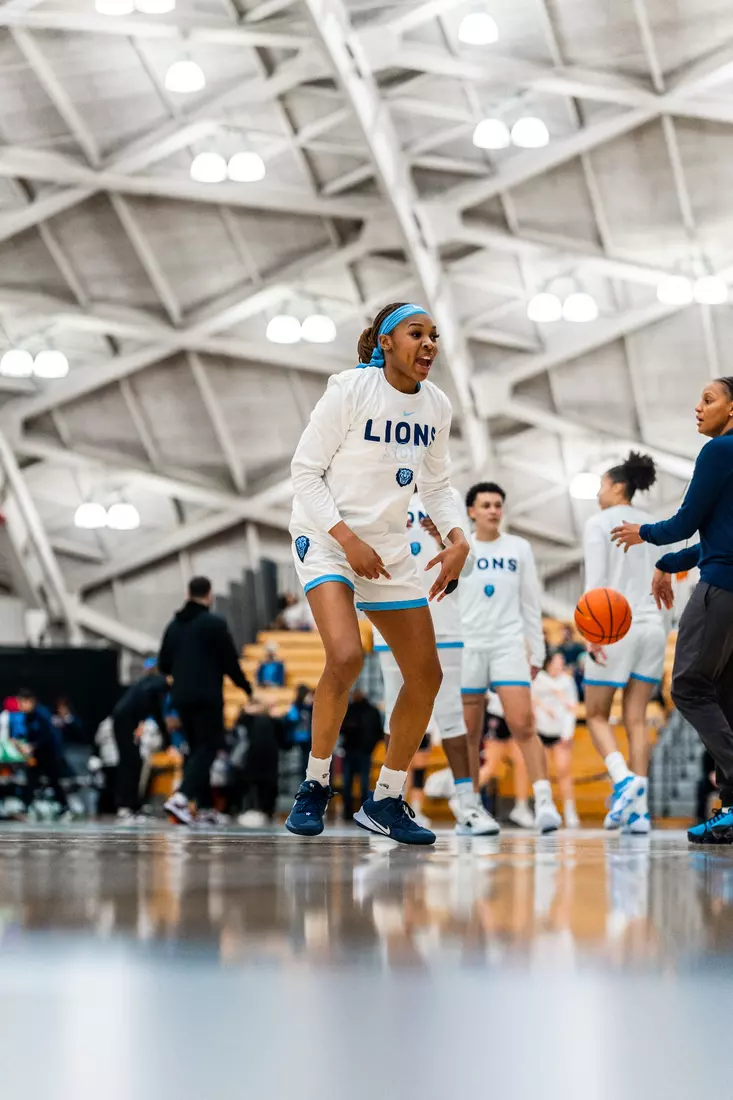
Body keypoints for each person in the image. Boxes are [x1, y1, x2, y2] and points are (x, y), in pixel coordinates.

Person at [285, 301, 470, 845]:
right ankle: (316, 784)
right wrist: (346, 539)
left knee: (427, 676)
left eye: (435, 335)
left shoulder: (436, 405)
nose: (430, 344)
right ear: (386, 342)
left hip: (386, 549)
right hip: (327, 537)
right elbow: (304, 472)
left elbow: (436, 485)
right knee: (346, 655)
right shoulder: (348, 390)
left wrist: (457, 537)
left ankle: (385, 799)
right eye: (418, 333)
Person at [612, 377, 733, 845]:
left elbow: (684, 524)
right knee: (723, 695)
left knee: (687, 686)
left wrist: (644, 533)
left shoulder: (719, 452)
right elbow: (715, 542)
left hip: (720, 591)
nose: (697, 407)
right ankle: (729, 809)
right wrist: (668, 562)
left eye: (707, 400)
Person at [374, 487, 499, 835]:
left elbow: (469, 567)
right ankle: (388, 801)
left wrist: (447, 539)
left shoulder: (446, 495)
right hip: (391, 617)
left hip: (444, 622)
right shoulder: (376, 491)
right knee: (395, 717)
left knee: (451, 718)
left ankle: (468, 806)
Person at [459, 482, 562, 833]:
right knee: (469, 732)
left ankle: (544, 802)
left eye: (498, 504)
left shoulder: (519, 547)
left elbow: (531, 601)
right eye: (485, 504)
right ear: (471, 510)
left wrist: (539, 649)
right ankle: (469, 808)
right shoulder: (460, 546)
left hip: (507, 644)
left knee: (523, 724)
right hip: (468, 644)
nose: (493, 510)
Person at [583, 451, 665, 834]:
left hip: (613, 624)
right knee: (636, 717)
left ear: (617, 486)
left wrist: (589, 632)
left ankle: (623, 780)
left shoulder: (599, 521)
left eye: (601, 485)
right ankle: (640, 812)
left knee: (597, 713)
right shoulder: (655, 523)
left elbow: (596, 581)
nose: (599, 493)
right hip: (653, 626)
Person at [159, 576, 253, 825]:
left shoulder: (173, 626)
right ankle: (181, 798)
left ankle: (205, 808)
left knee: (195, 749)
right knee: (209, 747)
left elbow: (163, 664)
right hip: (207, 696)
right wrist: (247, 688)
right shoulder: (214, 623)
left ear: (188, 594)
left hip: (180, 697)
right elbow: (229, 661)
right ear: (209, 595)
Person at [112, 657, 168, 823]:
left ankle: (131, 805)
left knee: (132, 762)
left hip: (125, 720)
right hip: (125, 721)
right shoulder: (157, 683)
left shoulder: (147, 683)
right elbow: (156, 710)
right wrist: (167, 737)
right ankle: (126, 805)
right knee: (130, 762)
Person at [532, 653, 579, 828]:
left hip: (559, 733)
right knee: (541, 773)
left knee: (563, 772)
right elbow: (530, 699)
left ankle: (569, 810)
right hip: (541, 731)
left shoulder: (567, 681)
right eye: (557, 662)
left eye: (562, 662)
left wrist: (568, 733)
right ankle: (544, 807)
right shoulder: (538, 679)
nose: (560, 665)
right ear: (548, 663)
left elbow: (572, 708)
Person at [479, 692, 534, 828]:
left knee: (522, 762)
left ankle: (521, 807)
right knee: (491, 766)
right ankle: (463, 797)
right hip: (498, 714)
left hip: (516, 715)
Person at [15, 688, 71, 818]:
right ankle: (25, 808)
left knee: (54, 781)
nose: (20, 706)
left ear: (30, 701)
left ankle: (65, 808)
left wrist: (33, 746)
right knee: (31, 780)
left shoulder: (42, 714)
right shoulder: (27, 716)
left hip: (50, 754)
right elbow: (29, 734)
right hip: (37, 755)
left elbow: (48, 736)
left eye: (22, 702)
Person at [232, 697, 281, 828]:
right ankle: (248, 810)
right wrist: (246, 712)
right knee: (250, 786)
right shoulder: (246, 719)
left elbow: (282, 737)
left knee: (269, 786)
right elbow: (237, 730)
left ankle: (268, 812)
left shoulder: (271, 720)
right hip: (251, 758)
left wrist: (276, 718)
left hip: (269, 759)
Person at [339, 689, 383, 820]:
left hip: (365, 752)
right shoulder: (348, 709)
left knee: (364, 784)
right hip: (350, 751)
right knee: (347, 784)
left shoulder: (372, 711)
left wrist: (370, 747)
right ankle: (347, 813)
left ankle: (364, 812)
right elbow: (341, 728)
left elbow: (378, 732)